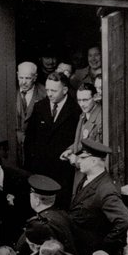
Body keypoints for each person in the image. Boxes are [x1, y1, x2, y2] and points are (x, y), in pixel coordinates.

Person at [66, 139, 128, 255]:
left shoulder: (105, 189)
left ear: (94, 161)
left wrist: (103, 247)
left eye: (83, 158)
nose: (78, 161)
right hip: (81, 250)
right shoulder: (88, 179)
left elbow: (125, 221)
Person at [23, 71, 79, 203]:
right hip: (40, 170)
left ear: (65, 90)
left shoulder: (75, 110)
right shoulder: (39, 107)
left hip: (63, 172)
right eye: (47, 90)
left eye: (53, 90)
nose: (49, 94)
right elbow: (29, 139)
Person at [15, 61, 46, 157]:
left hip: (35, 146)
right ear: (17, 75)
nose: (23, 82)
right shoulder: (10, 90)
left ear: (35, 77)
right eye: (21, 77)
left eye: (28, 78)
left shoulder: (44, 93)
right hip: (14, 146)